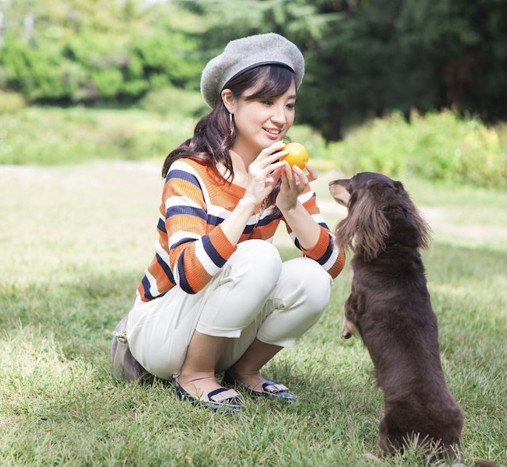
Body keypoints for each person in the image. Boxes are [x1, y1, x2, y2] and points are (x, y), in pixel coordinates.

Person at [111, 33, 346, 413]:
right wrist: (250, 199)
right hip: (161, 330)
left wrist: (290, 205)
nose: (280, 118)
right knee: (259, 256)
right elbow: (188, 275)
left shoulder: (285, 171)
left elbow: (333, 266)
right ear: (229, 100)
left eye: (289, 105)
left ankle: (244, 372)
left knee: (312, 279)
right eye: (266, 102)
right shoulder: (190, 172)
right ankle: (195, 375)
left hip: (221, 327)